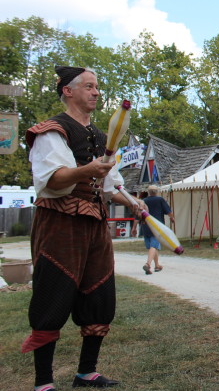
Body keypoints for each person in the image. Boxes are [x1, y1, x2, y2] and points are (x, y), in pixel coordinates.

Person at [23, 66, 144, 390]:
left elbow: (108, 185)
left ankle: (86, 373)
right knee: (54, 296)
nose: (96, 92)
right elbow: (51, 180)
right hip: (60, 222)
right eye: (89, 86)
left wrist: (132, 201)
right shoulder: (52, 131)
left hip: (93, 223)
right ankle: (43, 382)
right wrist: (87, 169)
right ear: (68, 91)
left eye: (97, 87)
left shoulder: (104, 138)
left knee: (100, 294)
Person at [141, 185, 174, 275]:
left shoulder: (143, 201)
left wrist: (134, 227)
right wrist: (172, 218)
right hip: (157, 226)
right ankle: (148, 264)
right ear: (157, 192)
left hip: (146, 226)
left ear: (148, 192)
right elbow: (169, 212)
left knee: (153, 246)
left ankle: (157, 265)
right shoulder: (160, 200)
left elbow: (138, 214)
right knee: (154, 246)